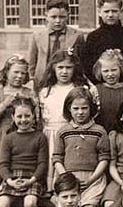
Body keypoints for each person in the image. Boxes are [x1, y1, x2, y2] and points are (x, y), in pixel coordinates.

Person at [0, 97, 48, 207]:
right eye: (19, 117)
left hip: (32, 179)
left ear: (33, 117)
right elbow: (3, 164)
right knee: (1, 206)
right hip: (12, 179)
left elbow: (42, 164)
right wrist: (10, 180)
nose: (23, 120)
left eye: (27, 116)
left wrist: (31, 180)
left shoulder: (40, 137)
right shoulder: (9, 138)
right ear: (13, 118)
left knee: (30, 204)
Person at [0, 54, 38, 204]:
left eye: (23, 73)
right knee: (4, 186)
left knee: (25, 185)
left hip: (26, 142)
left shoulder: (29, 93)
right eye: (16, 72)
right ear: (7, 72)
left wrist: (31, 103)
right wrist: (4, 105)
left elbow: (37, 120)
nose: (20, 76)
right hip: (5, 140)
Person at [38, 50, 90, 194]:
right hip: (50, 133)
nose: (64, 72)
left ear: (75, 69)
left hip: (71, 134)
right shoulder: (46, 91)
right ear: (53, 68)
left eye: (68, 67)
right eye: (60, 67)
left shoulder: (80, 89)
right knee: (51, 161)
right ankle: (50, 189)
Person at [53, 87, 110, 207]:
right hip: (68, 177)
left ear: (91, 108)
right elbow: (57, 157)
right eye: (76, 108)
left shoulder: (99, 131)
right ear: (69, 108)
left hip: (92, 178)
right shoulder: (63, 131)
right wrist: (65, 177)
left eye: (84, 108)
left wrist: (91, 179)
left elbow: (104, 158)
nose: (80, 112)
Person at [81, 0, 123, 87]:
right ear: (99, 12)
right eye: (106, 11)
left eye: (114, 11)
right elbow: (87, 66)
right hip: (100, 88)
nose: (110, 15)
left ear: (121, 11)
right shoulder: (93, 37)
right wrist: (101, 85)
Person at [28, 0, 84, 90]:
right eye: (53, 17)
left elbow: (81, 62)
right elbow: (32, 63)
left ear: (68, 15)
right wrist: (32, 80)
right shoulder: (37, 36)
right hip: (43, 81)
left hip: (68, 81)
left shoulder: (77, 36)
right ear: (46, 16)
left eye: (62, 17)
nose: (58, 21)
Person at [91, 49, 123, 132]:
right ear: (100, 72)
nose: (110, 74)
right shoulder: (95, 90)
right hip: (100, 133)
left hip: (122, 134)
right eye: (106, 71)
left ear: (120, 69)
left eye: (114, 70)